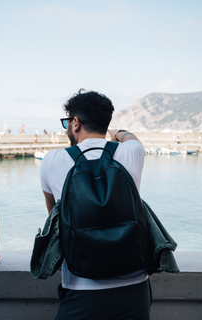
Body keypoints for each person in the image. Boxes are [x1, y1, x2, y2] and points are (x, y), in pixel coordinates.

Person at [40, 89, 151, 319]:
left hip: (81, 288)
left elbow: (55, 218)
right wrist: (116, 132)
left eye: (67, 123)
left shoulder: (52, 160)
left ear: (76, 123)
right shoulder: (133, 153)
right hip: (134, 288)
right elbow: (132, 139)